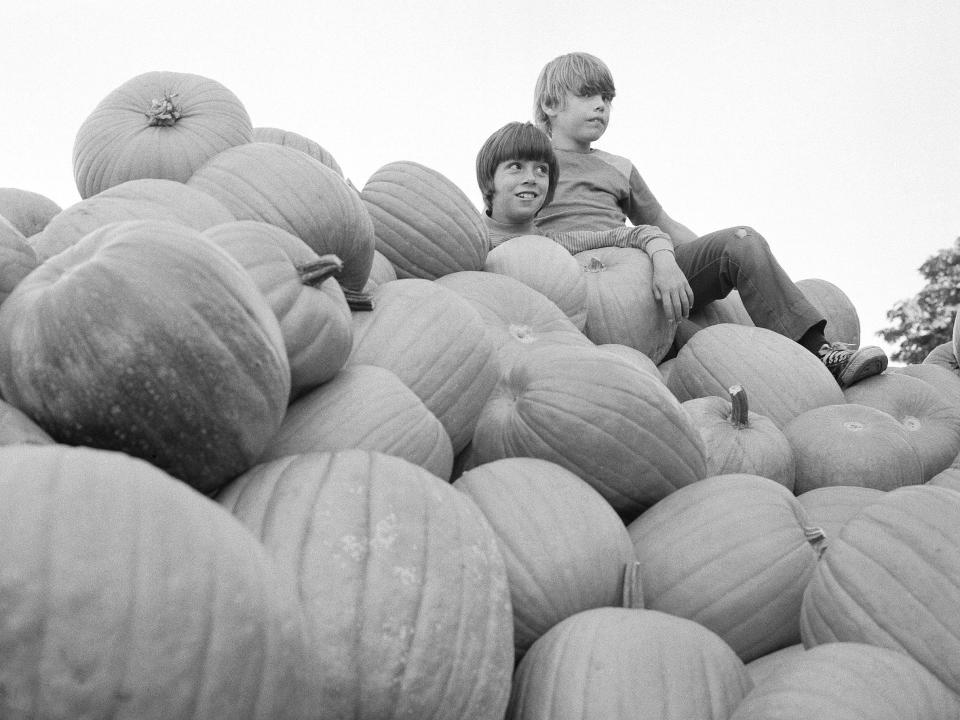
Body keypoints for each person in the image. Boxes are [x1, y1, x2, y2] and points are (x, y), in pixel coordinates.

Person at [526, 50, 887, 388]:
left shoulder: (619, 167)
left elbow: (665, 225)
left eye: (607, 98)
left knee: (741, 243)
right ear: (550, 104)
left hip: (642, 274)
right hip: (579, 293)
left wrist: (714, 267)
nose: (601, 106)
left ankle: (820, 352)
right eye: (588, 95)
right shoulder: (530, 165)